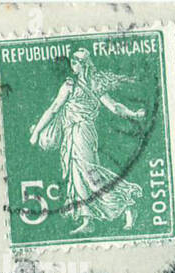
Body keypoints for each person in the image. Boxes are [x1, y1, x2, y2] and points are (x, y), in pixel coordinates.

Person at [28, 47, 145, 235]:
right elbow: (54, 108)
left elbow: (113, 106)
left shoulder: (90, 85)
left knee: (89, 173)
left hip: (83, 132)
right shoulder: (71, 85)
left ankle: (126, 204)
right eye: (73, 61)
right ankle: (87, 219)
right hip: (71, 134)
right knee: (76, 174)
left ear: (83, 65)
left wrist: (133, 113)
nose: (73, 65)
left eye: (76, 61)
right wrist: (37, 132)